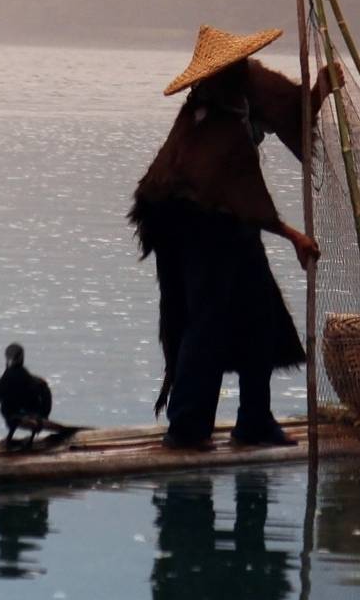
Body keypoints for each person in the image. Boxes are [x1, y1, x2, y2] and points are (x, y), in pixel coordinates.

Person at [129, 25, 337, 449]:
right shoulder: (209, 114)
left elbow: (293, 114)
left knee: (258, 314)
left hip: (217, 222)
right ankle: (188, 428)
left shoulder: (244, 87)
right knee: (204, 321)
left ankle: (254, 421)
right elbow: (229, 190)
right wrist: (292, 235)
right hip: (194, 223)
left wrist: (322, 90)